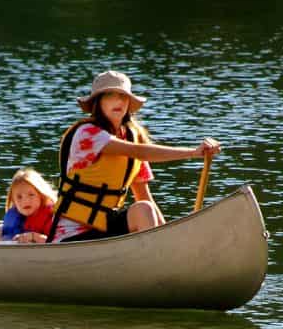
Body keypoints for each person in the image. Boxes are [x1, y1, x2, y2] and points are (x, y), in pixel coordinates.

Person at [50, 70, 221, 242]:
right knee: (143, 209)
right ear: (97, 102)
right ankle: (155, 259)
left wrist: (170, 240)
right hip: (72, 236)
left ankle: (159, 256)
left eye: (123, 96)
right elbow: (140, 152)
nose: (118, 101)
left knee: (145, 209)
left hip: (106, 227)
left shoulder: (133, 136)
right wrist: (193, 152)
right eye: (110, 95)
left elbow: (144, 196)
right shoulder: (87, 133)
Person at [1, 167, 56, 243]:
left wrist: (33, 236)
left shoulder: (52, 218)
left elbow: (56, 242)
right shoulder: (15, 216)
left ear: (41, 195)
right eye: (19, 197)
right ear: (13, 201)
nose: (25, 201)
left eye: (31, 195)